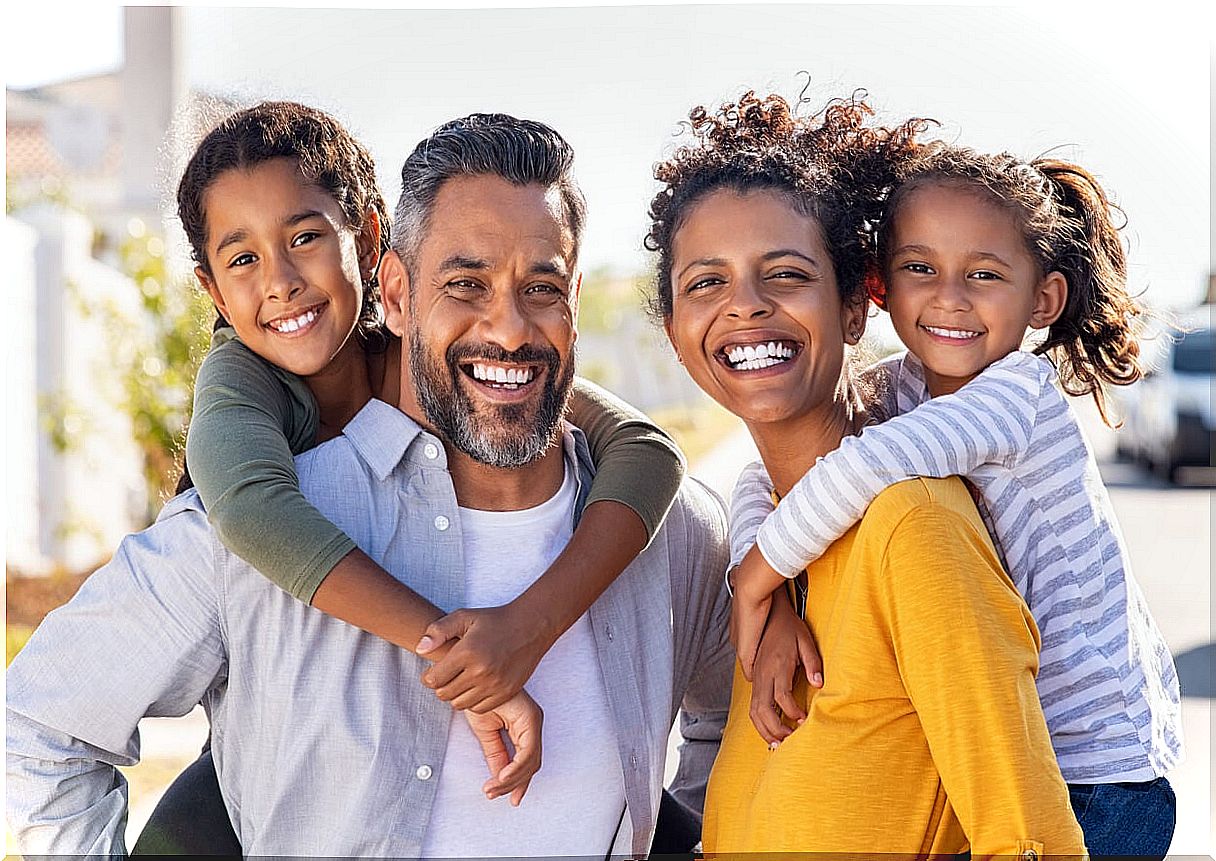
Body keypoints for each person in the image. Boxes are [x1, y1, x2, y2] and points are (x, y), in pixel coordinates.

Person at [6, 112, 733, 858]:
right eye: (465, 283)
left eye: (541, 287)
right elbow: (37, 729)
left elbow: (737, 720)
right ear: (397, 289)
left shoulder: (671, 534)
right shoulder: (236, 532)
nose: (509, 328)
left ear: (575, 299)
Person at [648, 90, 1086, 854]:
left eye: (784, 273)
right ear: (675, 330)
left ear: (856, 306)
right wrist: (765, 579)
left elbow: (1029, 840)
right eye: (706, 282)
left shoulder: (910, 523)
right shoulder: (768, 545)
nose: (744, 306)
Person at [727, 142, 1181, 858]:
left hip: (1098, 776)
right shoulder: (900, 388)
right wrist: (766, 589)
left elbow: (863, 464)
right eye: (920, 268)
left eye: (985, 274)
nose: (950, 296)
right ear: (879, 284)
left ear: (1044, 299)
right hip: (1018, 754)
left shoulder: (1015, 395)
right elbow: (770, 479)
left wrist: (755, 577)